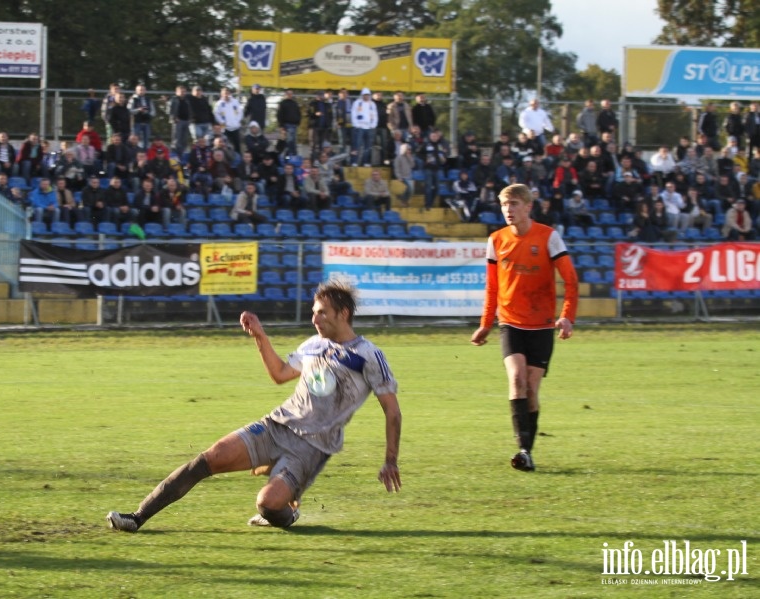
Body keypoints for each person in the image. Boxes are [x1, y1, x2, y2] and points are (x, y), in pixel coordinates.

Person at [106, 280, 402, 532]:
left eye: (322, 313)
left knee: (267, 504)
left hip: (312, 447)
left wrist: (390, 460)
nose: (315, 320)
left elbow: (392, 411)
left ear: (344, 313)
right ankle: (138, 517)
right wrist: (260, 336)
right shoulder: (313, 344)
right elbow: (280, 374)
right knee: (208, 458)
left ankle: (286, 514)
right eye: (314, 313)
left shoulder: (369, 356)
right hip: (277, 425)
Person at [470, 183, 578, 473]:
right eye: (505, 205)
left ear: (528, 207)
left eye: (514, 204)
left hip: (541, 325)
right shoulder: (496, 240)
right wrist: (485, 325)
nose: (508, 210)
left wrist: (567, 317)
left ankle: (527, 451)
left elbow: (570, 280)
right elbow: (492, 288)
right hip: (511, 323)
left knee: (531, 389)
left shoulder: (548, 237)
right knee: (517, 379)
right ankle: (522, 449)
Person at [350, 88, 377, 167]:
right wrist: (356, 124)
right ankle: (354, 162)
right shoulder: (357, 103)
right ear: (362, 95)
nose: (366, 97)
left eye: (368, 95)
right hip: (359, 127)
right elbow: (353, 114)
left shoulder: (372, 104)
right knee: (356, 145)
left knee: (368, 147)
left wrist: (373, 125)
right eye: (365, 95)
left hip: (369, 128)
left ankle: (366, 162)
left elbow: (375, 115)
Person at [214, 86, 244, 154]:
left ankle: (238, 161)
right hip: (225, 129)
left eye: (227, 93)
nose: (226, 95)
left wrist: (237, 121)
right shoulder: (219, 104)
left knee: (237, 146)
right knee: (226, 146)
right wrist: (222, 122)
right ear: (221, 94)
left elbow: (240, 112)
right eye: (224, 93)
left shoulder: (235, 101)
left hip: (235, 127)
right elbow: (216, 114)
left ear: (230, 93)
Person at [276, 89, 302, 158]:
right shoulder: (282, 103)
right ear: (285, 94)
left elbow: (299, 113)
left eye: (291, 93)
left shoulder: (295, 103)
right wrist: (281, 126)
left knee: (293, 141)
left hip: (294, 125)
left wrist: (298, 121)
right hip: (286, 125)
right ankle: (290, 156)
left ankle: (292, 155)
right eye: (288, 93)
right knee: (289, 141)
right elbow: (279, 115)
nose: (290, 95)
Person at [168, 85, 192, 157]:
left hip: (186, 121)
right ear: (177, 92)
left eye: (184, 91)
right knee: (176, 140)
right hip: (177, 121)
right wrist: (174, 117)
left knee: (184, 140)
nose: (183, 93)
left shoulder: (187, 100)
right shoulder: (173, 99)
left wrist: (190, 118)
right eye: (181, 91)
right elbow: (169, 110)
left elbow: (190, 109)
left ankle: (181, 156)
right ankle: (174, 157)